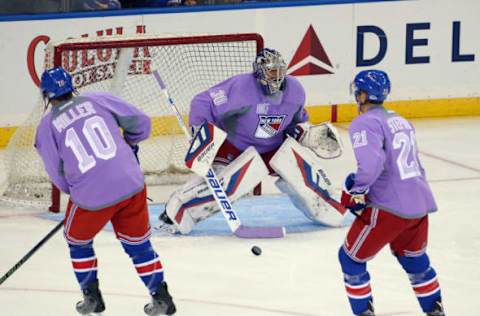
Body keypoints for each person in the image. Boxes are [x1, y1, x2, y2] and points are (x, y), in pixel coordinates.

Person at [34, 67, 176, 316]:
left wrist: (75, 191)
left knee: (77, 240)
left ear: (47, 95)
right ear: (71, 86)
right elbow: (141, 122)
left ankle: (92, 298)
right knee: (139, 245)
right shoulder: (98, 100)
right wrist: (131, 143)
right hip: (132, 184)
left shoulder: (46, 127)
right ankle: (161, 297)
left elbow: (56, 172)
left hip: (90, 197)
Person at [159, 48, 344, 235]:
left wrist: (304, 133)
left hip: (274, 149)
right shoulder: (241, 88)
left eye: (280, 71)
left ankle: (332, 207)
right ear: (259, 72)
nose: (277, 76)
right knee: (225, 186)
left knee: (302, 176)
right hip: (234, 148)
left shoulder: (295, 90)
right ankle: (177, 211)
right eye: (272, 71)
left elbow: (296, 119)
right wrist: (201, 132)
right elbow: (203, 102)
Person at [338, 69, 445, 316]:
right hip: (419, 204)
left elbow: (371, 164)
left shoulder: (364, 122)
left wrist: (357, 190)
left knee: (350, 259)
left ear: (362, 95)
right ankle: (436, 312)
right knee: (414, 260)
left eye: (358, 91)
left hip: (388, 207)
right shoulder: (400, 120)